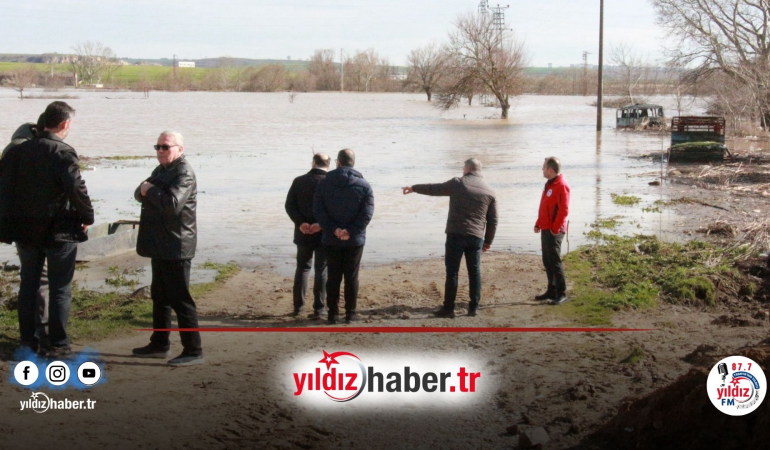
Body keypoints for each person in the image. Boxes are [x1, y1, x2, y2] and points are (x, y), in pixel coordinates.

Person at [0, 101, 93, 357]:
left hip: (25, 230)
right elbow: (76, 187)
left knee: (29, 286)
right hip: (58, 230)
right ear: (65, 124)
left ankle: (27, 342)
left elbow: (5, 189)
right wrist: (87, 216)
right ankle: (59, 344)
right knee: (60, 287)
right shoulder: (62, 152)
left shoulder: (17, 151)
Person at [131, 131, 203, 366]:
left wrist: (149, 190)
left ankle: (193, 350)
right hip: (160, 243)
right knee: (159, 296)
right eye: (158, 146)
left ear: (180, 149)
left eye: (166, 147)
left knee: (181, 298)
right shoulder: (162, 170)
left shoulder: (184, 172)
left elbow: (171, 204)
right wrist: (146, 190)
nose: (160, 151)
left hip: (177, 244)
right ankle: (160, 344)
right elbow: (138, 193)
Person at [402, 158, 497, 318]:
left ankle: (449, 308)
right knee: (474, 271)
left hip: (456, 234)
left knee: (452, 271)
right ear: (480, 171)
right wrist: (488, 241)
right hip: (476, 236)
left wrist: (414, 188)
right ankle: (473, 307)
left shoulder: (458, 183)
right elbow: (493, 220)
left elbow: (434, 189)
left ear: (467, 169)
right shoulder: (490, 191)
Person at [2, 114, 51, 346]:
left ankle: (27, 335)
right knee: (41, 280)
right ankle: (42, 332)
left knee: (28, 280)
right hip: (37, 226)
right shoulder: (32, 152)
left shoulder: (9, 153)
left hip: (19, 227)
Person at [313, 149, 374, 324]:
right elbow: (367, 214)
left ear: (338, 162)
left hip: (331, 238)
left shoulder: (324, 183)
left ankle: (333, 314)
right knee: (351, 276)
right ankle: (351, 313)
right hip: (354, 239)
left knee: (333, 276)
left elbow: (318, 210)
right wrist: (351, 231)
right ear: (353, 163)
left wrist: (334, 229)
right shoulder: (364, 185)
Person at [285, 153, 331, 319]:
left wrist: (301, 223)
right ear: (329, 164)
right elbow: (332, 208)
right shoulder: (330, 182)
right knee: (321, 269)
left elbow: (289, 205)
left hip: (303, 231)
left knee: (303, 268)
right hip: (324, 232)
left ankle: (298, 307)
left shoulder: (299, 181)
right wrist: (320, 225)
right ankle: (319, 309)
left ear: (313, 163)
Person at [534, 156, 571, 305]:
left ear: (550, 170)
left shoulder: (561, 185)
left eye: (543, 167)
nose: (542, 170)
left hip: (555, 230)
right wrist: (538, 223)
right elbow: (544, 206)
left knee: (555, 261)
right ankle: (551, 290)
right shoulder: (549, 184)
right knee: (547, 260)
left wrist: (555, 228)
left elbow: (563, 210)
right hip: (546, 227)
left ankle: (561, 292)